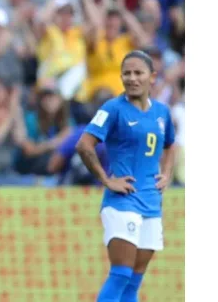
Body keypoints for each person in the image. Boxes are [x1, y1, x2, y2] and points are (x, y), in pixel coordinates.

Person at [76, 50, 175, 302]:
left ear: (152, 77)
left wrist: (167, 173)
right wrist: (106, 179)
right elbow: (84, 145)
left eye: (138, 72)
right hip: (123, 201)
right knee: (120, 274)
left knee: (133, 281)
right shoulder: (113, 108)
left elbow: (170, 145)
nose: (132, 78)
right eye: (127, 73)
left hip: (151, 203)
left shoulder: (162, 113)